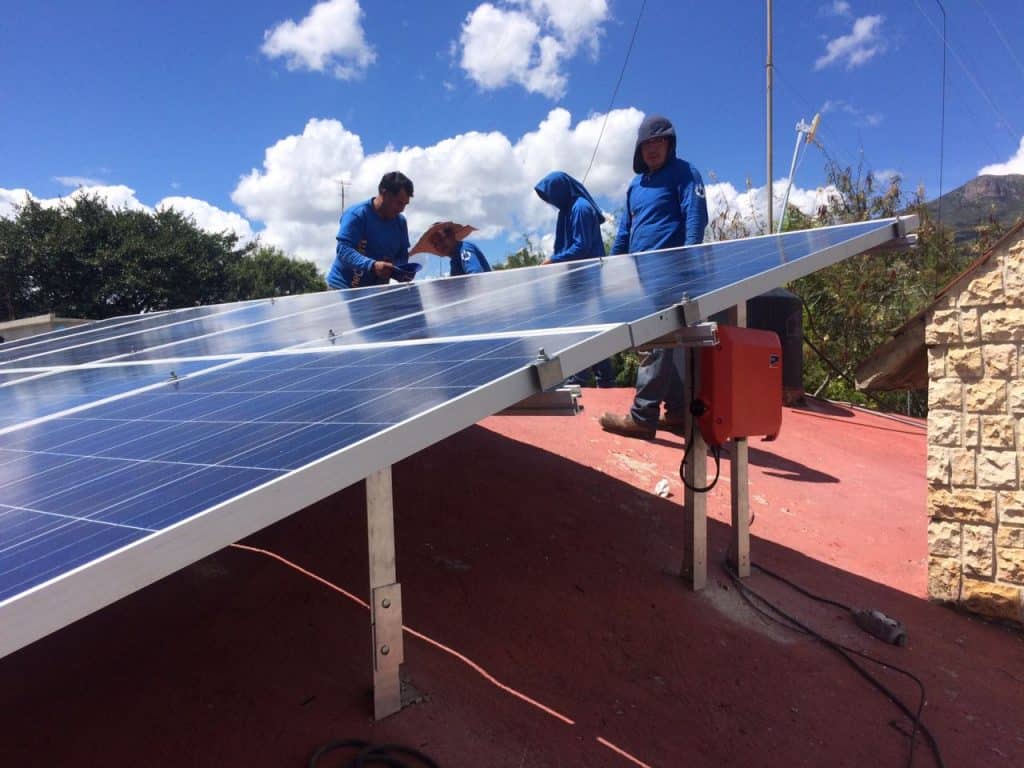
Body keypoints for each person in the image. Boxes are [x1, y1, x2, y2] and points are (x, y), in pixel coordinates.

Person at [599, 114, 709, 438]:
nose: (653, 148)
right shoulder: (635, 186)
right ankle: (677, 413)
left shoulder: (685, 173)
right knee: (667, 346)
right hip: (641, 278)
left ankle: (642, 416)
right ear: (639, 148)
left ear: (669, 144)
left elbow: (695, 217)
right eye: (647, 143)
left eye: (659, 141)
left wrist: (687, 260)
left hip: (672, 273)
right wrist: (612, 268)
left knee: (656, 343)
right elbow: (625, 230)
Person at [534, 170, 614, 388]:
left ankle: (596, 379)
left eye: (550, 194)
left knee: (589, 329)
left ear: (560, 189)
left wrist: (552, 261)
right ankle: (589, 377)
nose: (550, 200)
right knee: (581, 330)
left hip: (588, 280)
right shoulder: (565, 212)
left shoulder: (580, 208)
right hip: (574, 280)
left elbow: (581, 247)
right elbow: (564, 247)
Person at [327, 172, 415, 289]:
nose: (402, 209)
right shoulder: (357, 215)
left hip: (376, 292)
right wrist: (372, 265)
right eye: (398, 203)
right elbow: (343, 249)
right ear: (385, 193)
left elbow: (402, 256)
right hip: (342, 289)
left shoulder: (400, 223)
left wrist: (401, 271)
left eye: (405, 204)